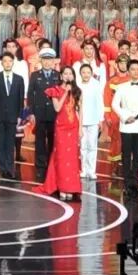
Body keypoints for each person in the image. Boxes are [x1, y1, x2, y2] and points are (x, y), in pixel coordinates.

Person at [34, 66, 83, 200]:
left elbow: (80, 110)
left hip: (73, 127)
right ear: (61, 76)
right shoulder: (55, 90)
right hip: (61, 127)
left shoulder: (77, 91)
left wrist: (80, 128)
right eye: (65, 74)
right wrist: (65, 92)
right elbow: (57, 108)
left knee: (72, 158)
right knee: (61, 157)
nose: (68, 76)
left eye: (70, 74)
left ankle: (71, 187)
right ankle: (61, 187)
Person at [111, 59, 138, 198]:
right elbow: (114, 104)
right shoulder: (121, 87)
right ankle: (127, 184)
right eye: (133, 69)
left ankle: (135, 183)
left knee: (137, 157)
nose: (136, 72)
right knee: (126, 156)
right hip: (126, 126)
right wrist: (125, 116)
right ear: (128, 71)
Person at [28, 47, 62, 177]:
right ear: (41, 61)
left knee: (53, 141)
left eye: (50, 60)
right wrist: (31, 112)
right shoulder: (35, 75)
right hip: (39, 113)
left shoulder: (58, 75)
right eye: (45, 60)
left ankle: (52, 166)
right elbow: (30, 94)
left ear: (53, 61)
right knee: (40, 141)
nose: (47, 62)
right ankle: (40, 167)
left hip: (54, 113)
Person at [0, 52, 26, 179]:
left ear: (13, 63)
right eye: (5, 61)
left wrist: (20, 116)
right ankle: (2, 169)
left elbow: (21, 99)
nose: (7, 63)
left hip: (13, 116)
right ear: (1, 63)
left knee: (11, 143)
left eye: (9, 61)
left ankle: (10, 168)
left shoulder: (19, 79)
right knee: (1, 143)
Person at [78, 63, 104, 180]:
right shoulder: (77, 85)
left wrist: (100, 119)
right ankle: (84, 169)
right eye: (83, 72)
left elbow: (100, 102)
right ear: (80, 73)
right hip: (81, 121)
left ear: (91, 73)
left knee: (92, 146)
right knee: (83, 146)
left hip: (93, 120)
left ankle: (92, 171)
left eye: (88, 72)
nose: (86, 75)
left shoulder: (96, 85)